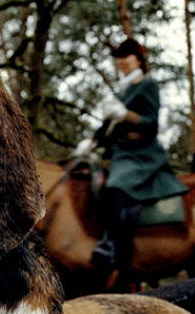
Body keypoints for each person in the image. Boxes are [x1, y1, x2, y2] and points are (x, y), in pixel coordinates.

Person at [73, 37, 186, 278]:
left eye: (126, 57)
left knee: (117, 185)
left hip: (141, 153)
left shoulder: (147, 85)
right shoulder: (123, 89)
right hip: (118, 152)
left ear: (139, 59)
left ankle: (112, 247)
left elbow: (152, 124)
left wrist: (127, 115)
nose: (121, 62)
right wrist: (92, 141)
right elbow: (109, 125)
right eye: (118, 58)